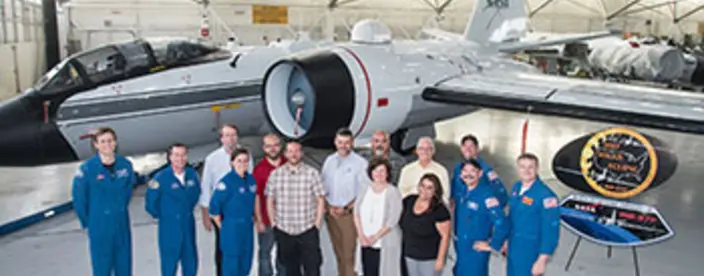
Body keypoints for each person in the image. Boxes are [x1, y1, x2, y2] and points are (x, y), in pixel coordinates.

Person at [72, 127, 137, 276]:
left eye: (110, 140)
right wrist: (87, 223)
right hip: (99, 225)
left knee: (124, 266)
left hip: (121, 223)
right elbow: (79, 199)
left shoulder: (125, 165)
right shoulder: (87, 169)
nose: (107, 144)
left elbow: (128, 190)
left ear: (115, 143)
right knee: (102, 268)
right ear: (95, 145)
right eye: (102, 141)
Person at [199, 124, 253, 276]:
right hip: (223, 214)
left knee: (244, 250)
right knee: (224, 249)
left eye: (234, 135)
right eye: (227, 135)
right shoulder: (212, 159)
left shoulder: (246, 156)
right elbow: (206, 187)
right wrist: (206, 215)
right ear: (221, 138)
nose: (231, 138)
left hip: (242, 212)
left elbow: (250, 183)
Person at [265, 141, 326, 276]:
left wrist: (316, 225)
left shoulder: (312, 173)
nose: (294, 154)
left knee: (313, 269)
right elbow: (270, 200)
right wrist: (274, 224)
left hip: (307, 230)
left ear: (302, 153)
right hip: (285, 231)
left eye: (297, 151)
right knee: (290, 270)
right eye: (290, 151)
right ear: (285, 154)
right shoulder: (275, 175)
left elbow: (320, 199)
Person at [495, 153, 559, 276]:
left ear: (537, 169)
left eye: (531, 167)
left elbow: (551, 230)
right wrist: (506, 240)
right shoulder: (516, 187)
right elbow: (512, 217)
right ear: (518, 169)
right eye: (522, 167)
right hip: (514, 246)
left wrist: (542, 260)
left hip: (531, 250)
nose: (526, 171)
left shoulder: (546, 196)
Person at [145, 143, 201, 276]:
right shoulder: (160, 178)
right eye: (176, 155)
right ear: (169, 157)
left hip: (188, 224)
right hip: (169, 227)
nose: (180, 159)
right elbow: (151, 204)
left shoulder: (192, 175)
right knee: (169, 265)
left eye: (183, 155)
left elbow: (195, 195)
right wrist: (167, 214)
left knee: (190, 263)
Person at [321, 128, 369, 276]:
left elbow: (365, 191)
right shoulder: (329, 161)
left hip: (349, 215)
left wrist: (347, 208)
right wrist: (327, 207)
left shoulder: (360, 163)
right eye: (340, 142)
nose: (343, 146)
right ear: (335, 142)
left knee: (349, 256)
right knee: (339, 254)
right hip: (331, 214)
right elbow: (323, 186)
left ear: (352, 143)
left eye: (347, 143)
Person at [451, 159, 509, 276]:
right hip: (461, 247)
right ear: (461, 174)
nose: (468, 174)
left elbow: (502, 222)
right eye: (465, 171)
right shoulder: (462, 193)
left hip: (476, 250)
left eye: (473, 171)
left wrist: (493, 244)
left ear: (480, 174)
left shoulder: (487, 197)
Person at [209, 148, 259, 276]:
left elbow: (254, 200)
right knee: (231, 263)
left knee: (246, 259)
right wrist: (223, 227)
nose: (243, 164)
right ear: (232, 162)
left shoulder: (251, 180)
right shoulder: (226, 183)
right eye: (239, 161)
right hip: (232, 227)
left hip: (247, 226)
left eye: (245, 161)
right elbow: (214, 208)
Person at [353, 158, 403, 276]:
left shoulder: (393, 192)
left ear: (387, 173)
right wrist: (361, 236)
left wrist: (375, 237)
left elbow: (392, 220)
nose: (378, 174)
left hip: (384, 242)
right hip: (364, 241)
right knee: (367, 271)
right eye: (375, 170)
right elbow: (356, 213)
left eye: (382, 171)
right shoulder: (364, 189)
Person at [399, 173, 451, 276]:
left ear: (435, 191)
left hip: (429, 259)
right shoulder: (408, 201)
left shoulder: (440, 210)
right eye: (422, 185)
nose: (424, 190)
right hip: (409, 255)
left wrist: (440, 260)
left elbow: (445, 237)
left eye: (429, 188)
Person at [253, 134, 287, 276]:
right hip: (267, 221)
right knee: (265, 254)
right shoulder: (259, 170)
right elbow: (257, 197)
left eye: (275, 145)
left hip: (287, 220)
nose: (273, 149)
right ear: (264, 148)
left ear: (280, 146)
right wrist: (259, 220)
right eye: (269, 146)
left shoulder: (288, 163)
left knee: (284, 254)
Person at [450, 134, 508, 210]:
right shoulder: (458, 168)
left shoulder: (486, 169)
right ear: (461, 148)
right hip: (461, 209)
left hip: (479, 212)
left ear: (477, 148)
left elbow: (499, 190)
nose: (468, 149)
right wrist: (452, 199)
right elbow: (454, 185)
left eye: (471, 146)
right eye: (465, 146)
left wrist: (495, 207)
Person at [398, 137, 450, 205]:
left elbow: (445, 196)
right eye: (421, 149)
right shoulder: (406, 170)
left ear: (433, 151)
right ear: (416, 151)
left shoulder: (441, 170)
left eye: (428, 149)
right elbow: (400, 193)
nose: (425, 152)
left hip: (433, 209)